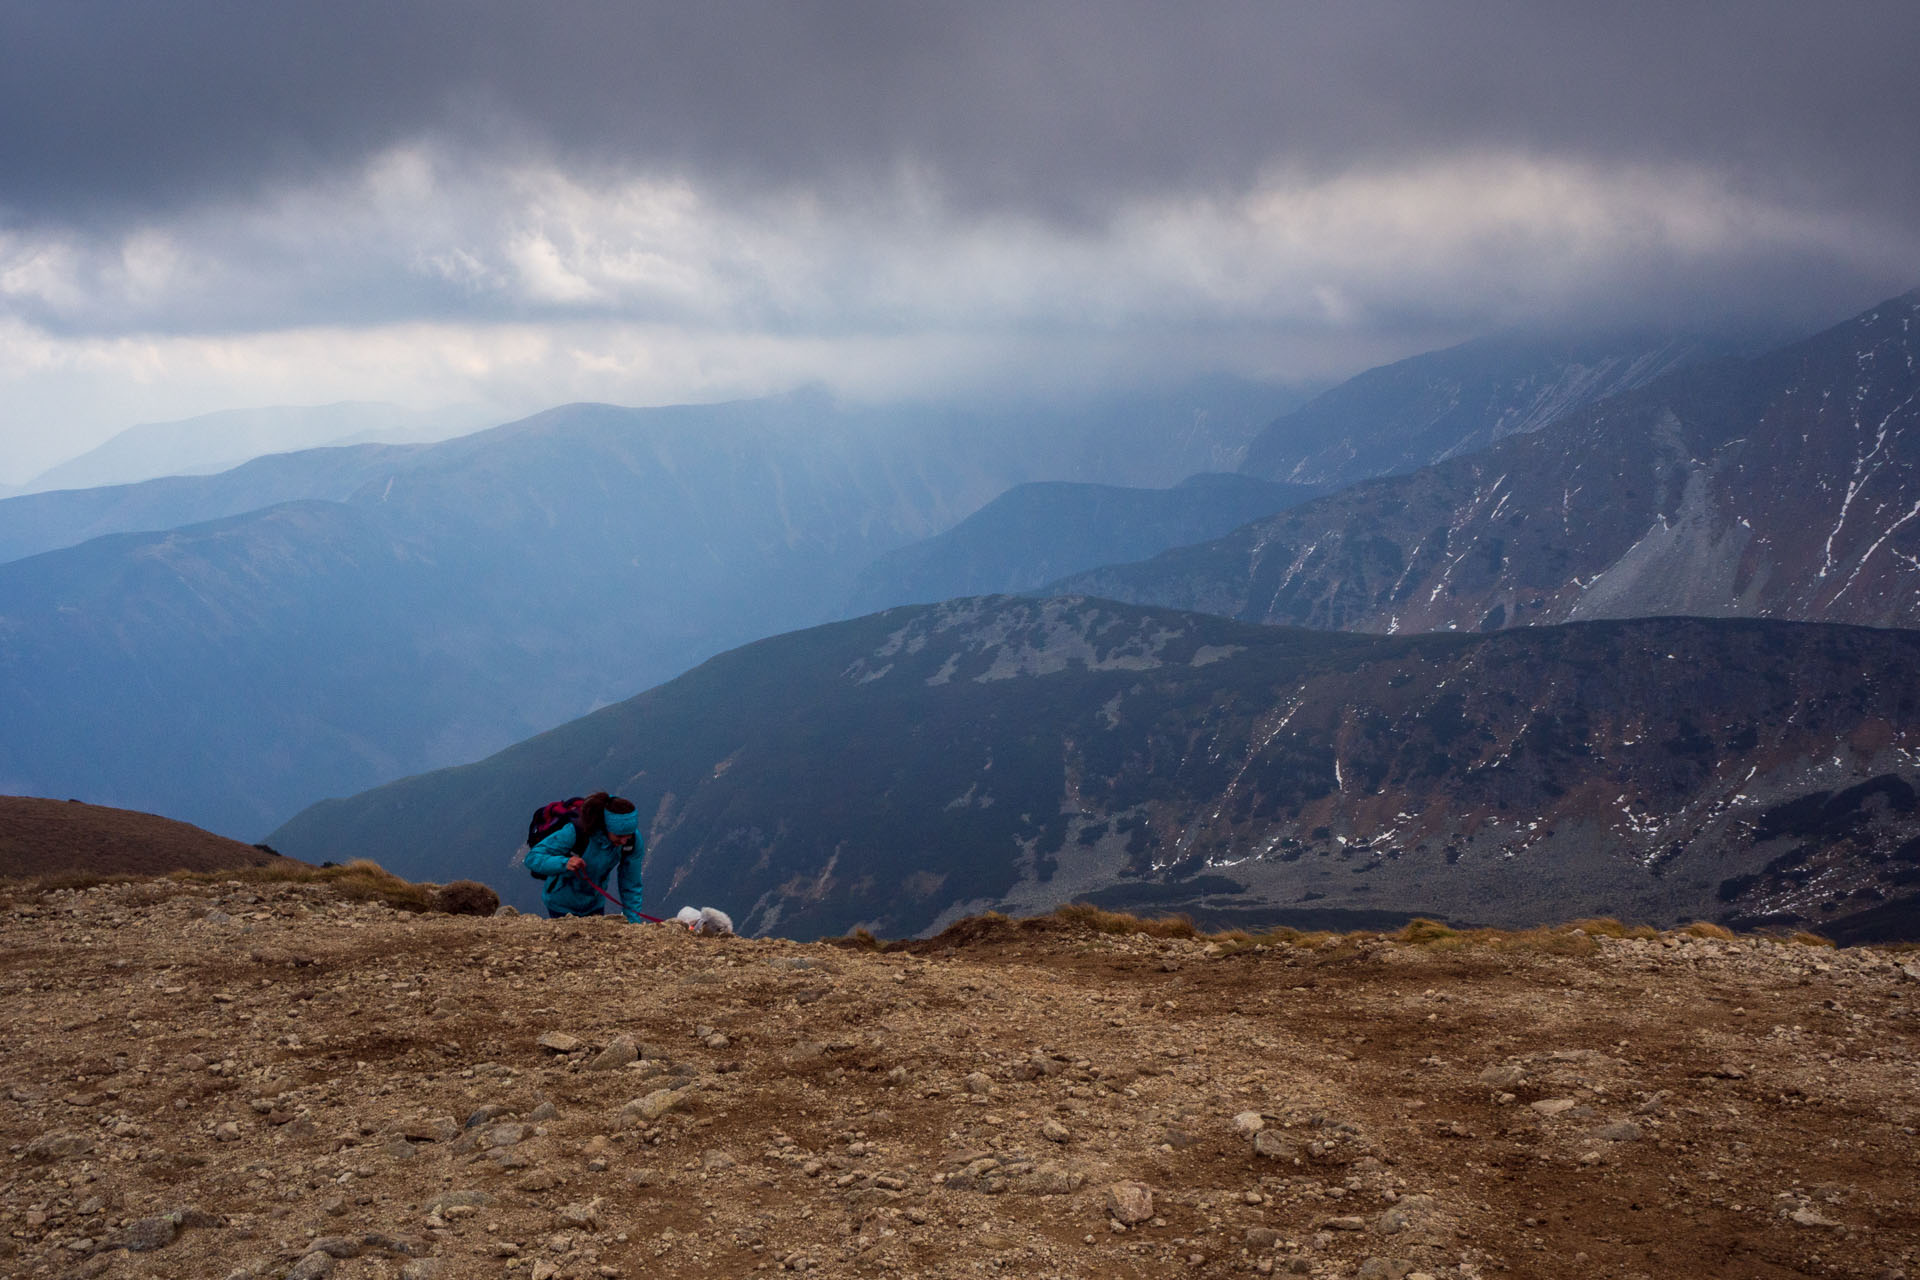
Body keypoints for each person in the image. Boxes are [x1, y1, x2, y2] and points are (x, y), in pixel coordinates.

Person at [524, 792, 644, 921]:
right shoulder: (575, 832)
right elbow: (532, 858)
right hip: (561, 905)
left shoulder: (633, 841)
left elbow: (631, 883)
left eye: (629, 835)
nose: (624, 841)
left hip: (594, 904)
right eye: (619, 836)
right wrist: (565, 863)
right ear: (605, 826)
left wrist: (633, 922)